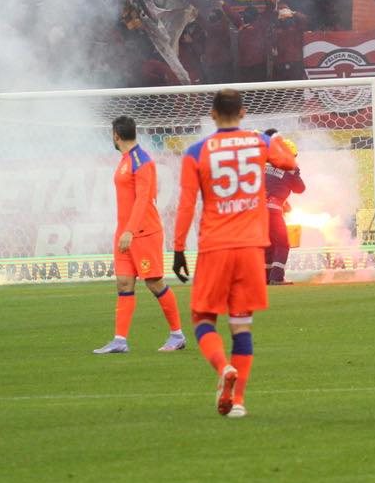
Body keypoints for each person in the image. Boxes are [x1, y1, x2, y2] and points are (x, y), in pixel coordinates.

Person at [172, 88, 295, 418]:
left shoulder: (196, 152)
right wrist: (273, 137)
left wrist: (179, 248)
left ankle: (224, 367)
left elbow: (186, 204)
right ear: (242, 113)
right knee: (241, 326)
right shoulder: (259, 143)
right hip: (252, 248)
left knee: (202, 318)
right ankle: (237, 401)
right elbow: (289, 161)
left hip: (215, 245)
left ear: (212, 115)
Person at [92, 116, 186, 355]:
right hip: (124, 233)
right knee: (123, 283)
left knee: (154, 283)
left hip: (143, 233)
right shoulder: (125, 160)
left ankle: (177, 334)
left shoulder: (142, 161)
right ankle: (119, 340)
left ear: (115, 135)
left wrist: (130, 231)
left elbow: (144, 199)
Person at [260, 128, 306, 285]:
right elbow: (300, 189)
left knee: (269, 243)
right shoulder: (290, 167)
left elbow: (269, 186)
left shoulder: (264, 164)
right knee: (283, 243)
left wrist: (284, 202)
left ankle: (266, 277)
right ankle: (277, 278)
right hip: (273, 210)